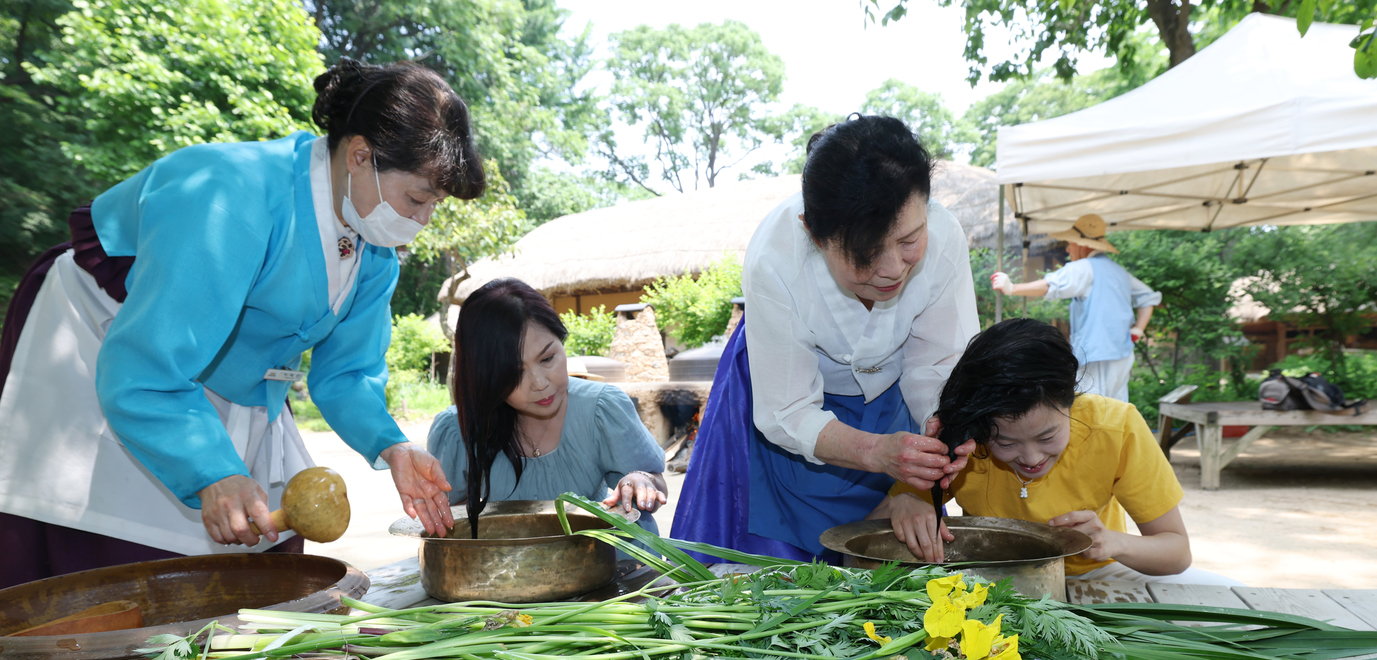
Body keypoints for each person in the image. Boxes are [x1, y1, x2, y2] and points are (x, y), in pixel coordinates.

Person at [0, 59, 478, 589]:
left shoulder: (375, 253)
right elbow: (147, 364)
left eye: (433, 204)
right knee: (121, 559)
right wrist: (211, 471)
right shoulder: (231, 195)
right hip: (112, 339)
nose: (421, 220)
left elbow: (345, 375)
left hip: (231, 379)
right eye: (417, 198)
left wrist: (394, 448)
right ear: (361, 155)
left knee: (261, 554)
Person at [672, 115, 978, 561]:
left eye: (910, 240)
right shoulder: (775, 258)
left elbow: (938, 367)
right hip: (780, 401)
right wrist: (877, 451)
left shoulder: (945, 236)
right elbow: (789, 411)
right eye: (867, 254)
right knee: (771, 572)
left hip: (893, 405)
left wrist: (931, 452)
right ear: (814, 234)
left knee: (890, 567)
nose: (893, 268)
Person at [869, 318, 1240, 586]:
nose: (1030, 458)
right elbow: (861, 539)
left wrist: (1112, 542)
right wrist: (907, 500)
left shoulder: (1117, 426)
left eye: (1047, 436)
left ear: (1070, 402)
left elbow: (1176, 553)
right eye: (1006, 443)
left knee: (1222, 592)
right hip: (988, 579)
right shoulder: (964, 439)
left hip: (1097, 573)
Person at [427, 279, 667, 535]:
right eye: (514, 374)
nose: (540, 384)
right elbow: (449, 520)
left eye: (548, 358)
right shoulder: (457, 430)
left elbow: (656, 482)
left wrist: (642, 481)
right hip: (503, 570)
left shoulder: (602, 408)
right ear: (486, 377)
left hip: (608, 564)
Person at [990, 213, 1160, 402]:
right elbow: (1148, 297)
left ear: (1083, 245)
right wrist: (1137, 330)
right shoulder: (1119, 271)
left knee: (1092, 411)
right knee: (1118, 411)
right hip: (1122, 354)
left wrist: (1012, 288)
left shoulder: (1085, 267)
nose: (1069, 248)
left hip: (1097, 356)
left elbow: (1051, 284)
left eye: (1071, 243)